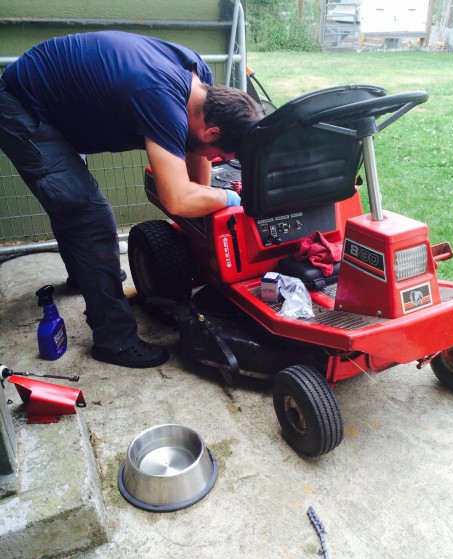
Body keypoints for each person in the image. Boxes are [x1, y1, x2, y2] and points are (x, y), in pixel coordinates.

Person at [0, 31, 262, 368]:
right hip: (24, 106)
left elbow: (195, 152)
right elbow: (177, 200)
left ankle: (88, 276)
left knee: (71, 202)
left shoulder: (201, 83)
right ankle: (115, 341)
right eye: (222, 154)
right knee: (86, 215)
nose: (218, 161)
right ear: (212, 132)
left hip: (55, 94)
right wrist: (230, 199)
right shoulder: (161, 99)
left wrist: (202, 217)